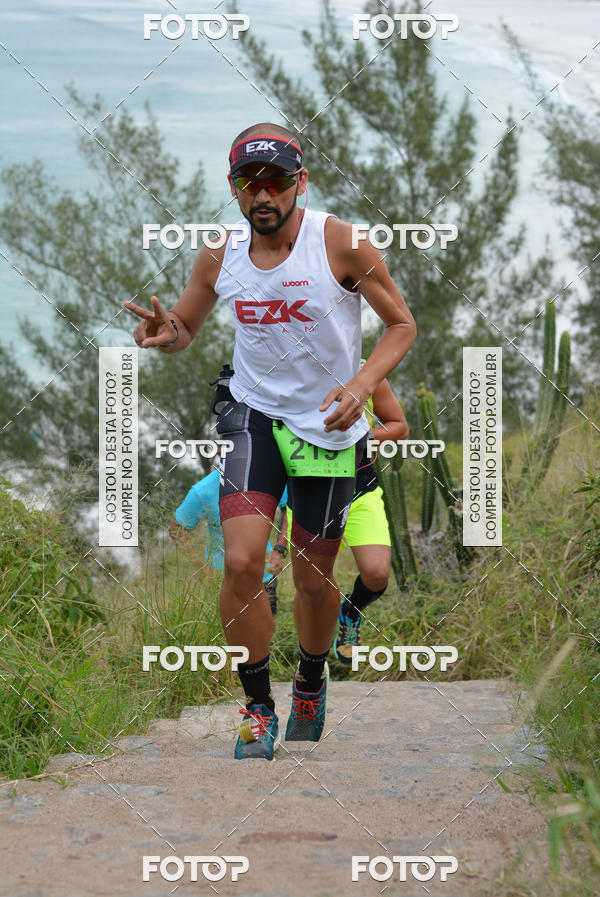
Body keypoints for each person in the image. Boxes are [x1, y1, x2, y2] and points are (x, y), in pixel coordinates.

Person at [126, 121, 416, 760]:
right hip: (251, 414)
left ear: (299, 183)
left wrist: (363, 385)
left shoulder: (340, 242)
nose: (263, 194)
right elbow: (186, 326)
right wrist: (163, 333)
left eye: (276, 181)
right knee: (240, 561)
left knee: (314, 579)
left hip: (328, 424)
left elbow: (402, 324)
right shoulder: (219, 252)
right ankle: (257, 706)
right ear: (233, 189)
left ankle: (310, 679)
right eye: (248, 182)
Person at [168, 471, 289, 614]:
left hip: (264, 576)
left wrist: (279, 549)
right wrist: (204, 569)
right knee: (231, 635)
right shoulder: (202, 491)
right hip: (223, 582)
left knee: (267, 633)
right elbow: (176, 529)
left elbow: (290, 508)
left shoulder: (266, 478)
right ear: (219, 452)